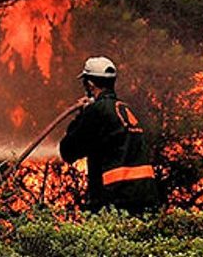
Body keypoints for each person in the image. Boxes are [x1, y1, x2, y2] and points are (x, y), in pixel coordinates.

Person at [57, 55, 161, 214]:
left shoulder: (97, 111)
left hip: (115, 200)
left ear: (90, 85)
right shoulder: (125, 109)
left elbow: (68, 151)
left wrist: (81, 115)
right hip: (145, 196)